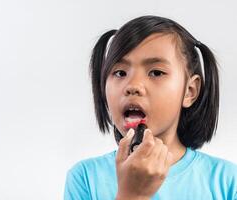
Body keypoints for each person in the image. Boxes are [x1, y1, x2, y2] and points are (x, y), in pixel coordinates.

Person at [64, 15, 237, 200]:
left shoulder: (228, 181)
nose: (133, 86)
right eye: (120, 72)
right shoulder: (85, 178)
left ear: (189, 91)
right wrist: (131, 195)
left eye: (156, 72)